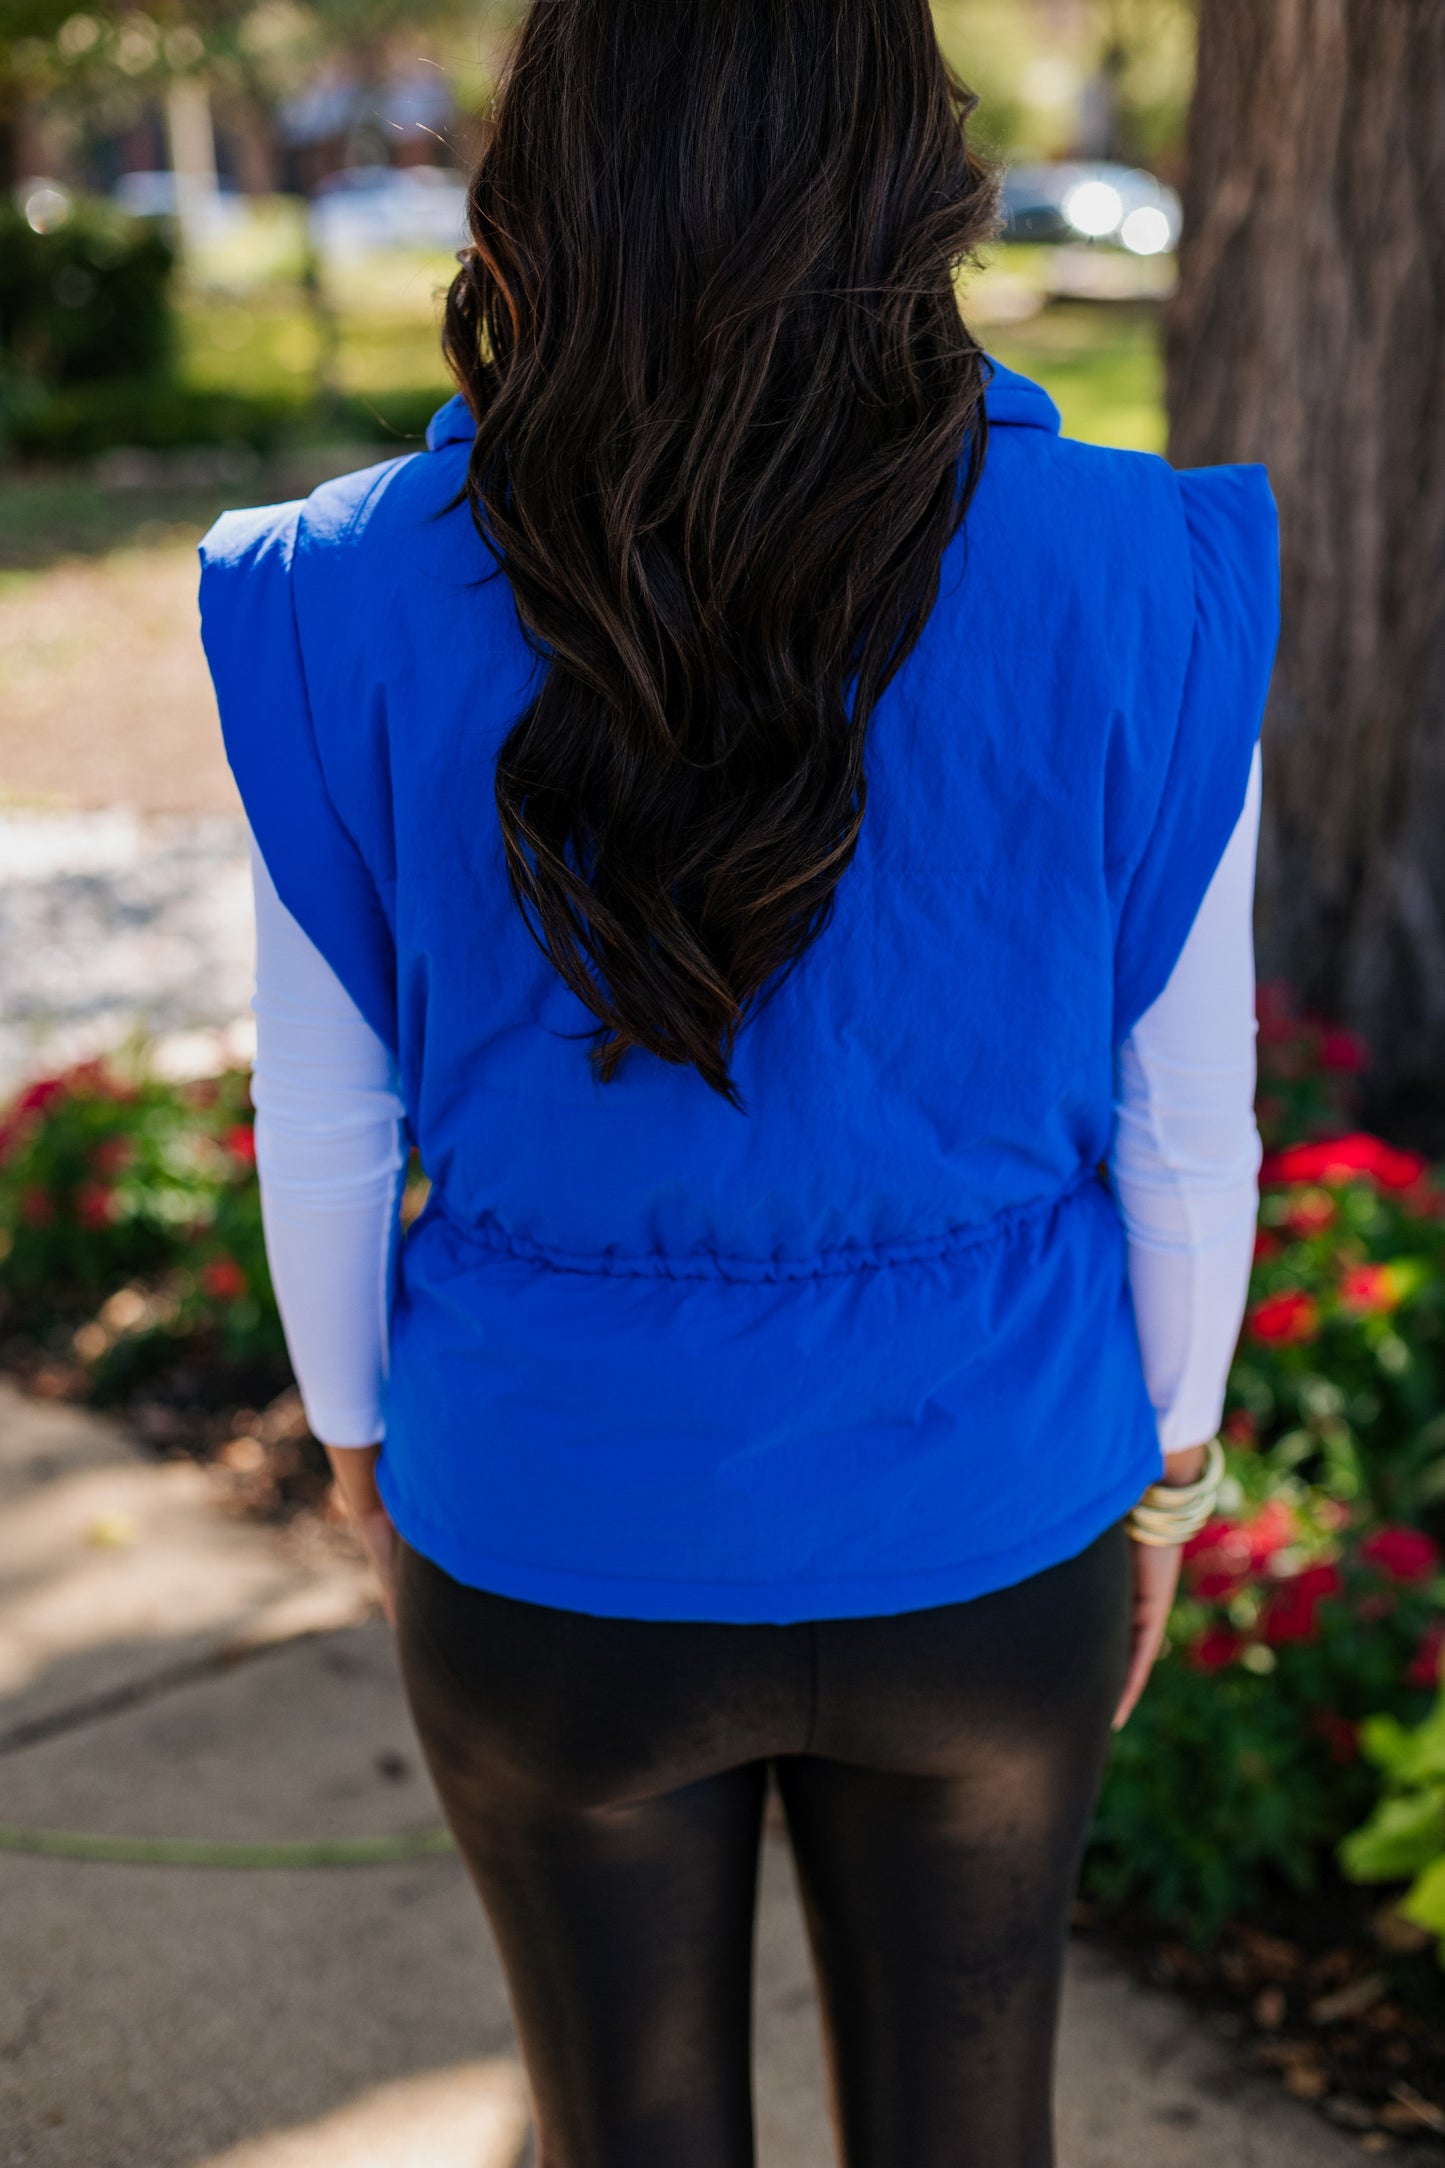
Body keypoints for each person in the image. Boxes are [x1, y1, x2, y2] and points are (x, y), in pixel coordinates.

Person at [198, 4, 1280, 2162]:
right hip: (994, 1511)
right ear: (916, 174)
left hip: (548, 1519)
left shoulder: (337, 594)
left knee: (624, 2135)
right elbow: (1190, 1114)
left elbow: (320, 1111)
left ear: (544, 173)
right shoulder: (1135, 573)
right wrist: (1165, 1468)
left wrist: (352, 1441)